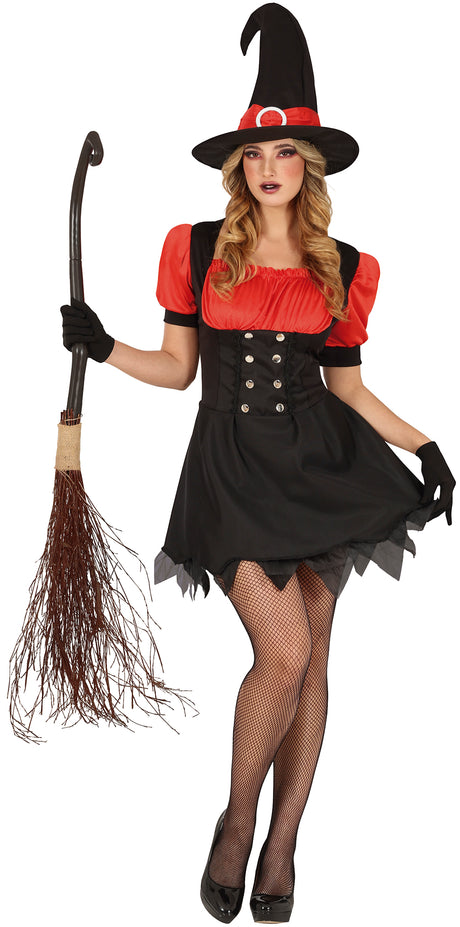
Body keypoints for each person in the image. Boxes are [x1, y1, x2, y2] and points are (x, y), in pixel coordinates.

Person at [61, 4, 455, 924]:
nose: (269, 167)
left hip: (324, 467)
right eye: (255, 153)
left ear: (309, 165)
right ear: (238, 163)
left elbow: (349, 389)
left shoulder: (342, 263)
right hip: (231, 471)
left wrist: (426, 445)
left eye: (286, 153)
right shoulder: (198, 247)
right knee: (283, 650)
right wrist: (105, 344)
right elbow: (178, 370)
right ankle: (237, 821)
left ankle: (284, 841)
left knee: (313, 660)